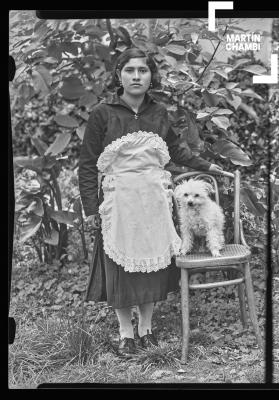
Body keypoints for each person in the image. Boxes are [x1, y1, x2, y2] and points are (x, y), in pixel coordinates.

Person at [78, 47, 222, 357]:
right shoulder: (103, 113)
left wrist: (207, 166)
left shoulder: (159, 113)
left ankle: (146, 329)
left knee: (152, 266)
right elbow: (88, 162)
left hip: (154, 199)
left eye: (142, 70)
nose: (136, 76)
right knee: (121, 268)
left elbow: (176, 150)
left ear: (150, 76)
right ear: (119, 75)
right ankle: (125, 334)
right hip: (119, 201)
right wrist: (91, 207)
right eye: (129, 70)